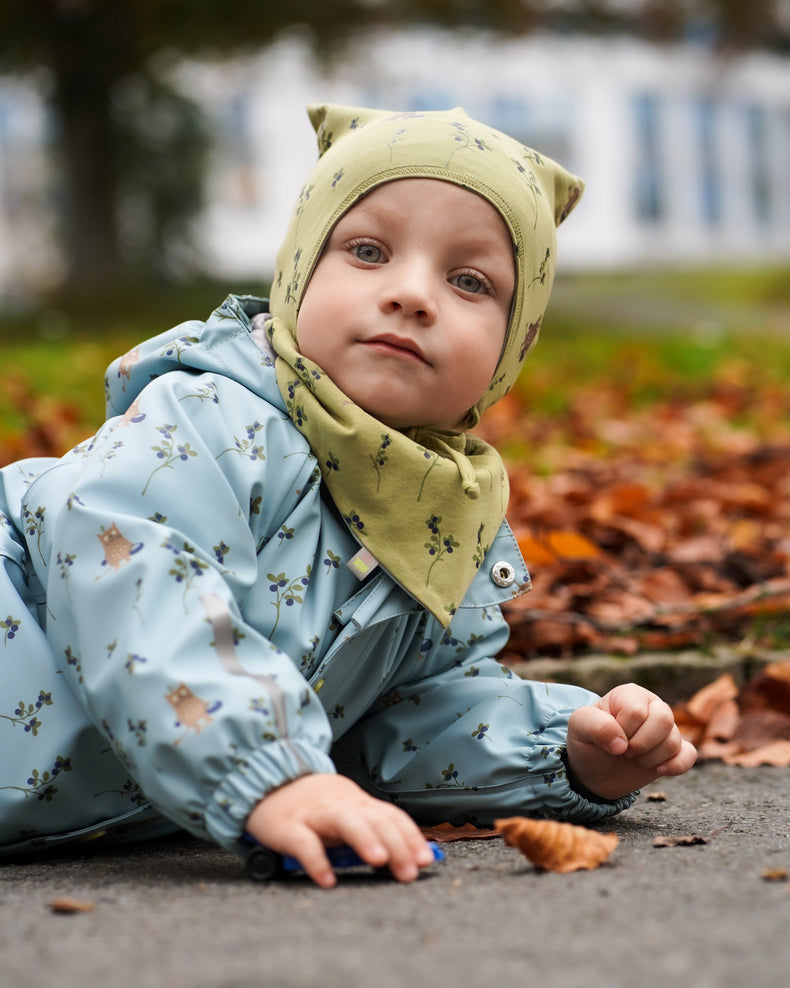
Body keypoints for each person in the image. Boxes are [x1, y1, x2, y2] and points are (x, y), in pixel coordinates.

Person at [0, 104, 696, 888]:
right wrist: (268, 770)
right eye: (367, 250)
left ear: (514, 345)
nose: (411, 293)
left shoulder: (440, 520)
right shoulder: (211, 421)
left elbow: (399, 721)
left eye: (469, 281)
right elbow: (140, 586)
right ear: (297, 272)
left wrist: (563, 751)